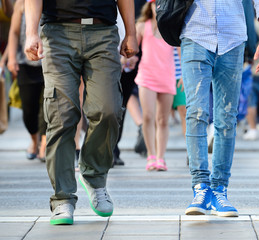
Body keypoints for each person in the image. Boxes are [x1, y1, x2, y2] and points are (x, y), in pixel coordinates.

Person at [24, 0, 138, 225]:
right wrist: (31, 32)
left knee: (109, 110)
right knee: (61, 115)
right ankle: (63, 198)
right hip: (58, 33)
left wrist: (131, 32)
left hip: (103, 32)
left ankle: (93, 175)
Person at [182, 0, 259, 217]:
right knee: (196, 112)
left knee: (227, 117)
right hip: (195, 34)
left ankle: (219, 189)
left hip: (232, 39)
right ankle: (200, 187)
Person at [134, 0, 176, 171]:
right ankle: (151, 155)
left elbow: (180, 53)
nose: (157, 8)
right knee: (148, 116)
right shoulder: (142, 26)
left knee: (163, 119)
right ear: (149, 6)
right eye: (154, 4)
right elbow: (133, 50)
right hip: (147, 76)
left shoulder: (171, 27)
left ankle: (160, 157)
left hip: (167, 76)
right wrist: (125, 60)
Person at [7, 0, 47, 162]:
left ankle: (44, 145)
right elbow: (14, 32)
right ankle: (34, 139)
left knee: (48, 107)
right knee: (28, 109)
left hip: (49, 61)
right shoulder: (22, 3)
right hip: (26, 62)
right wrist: (11, 58)